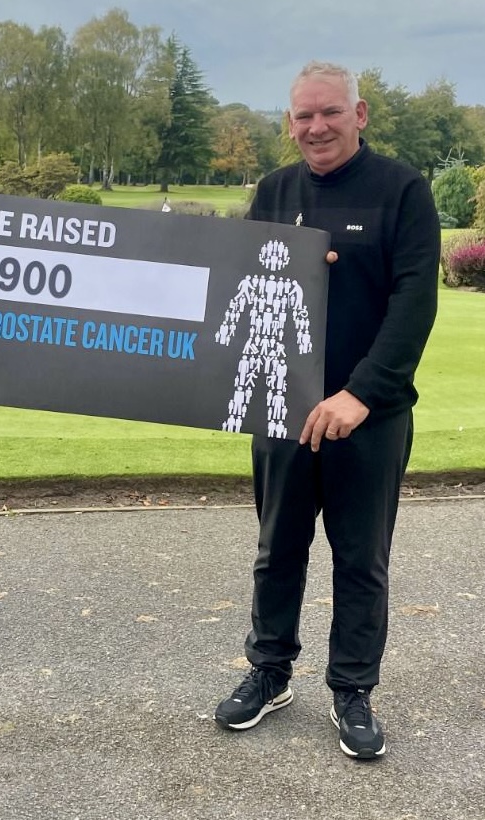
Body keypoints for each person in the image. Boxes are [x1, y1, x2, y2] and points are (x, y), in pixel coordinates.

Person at [213, 61, 439, 759]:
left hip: (369, 417)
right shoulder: (274, 191)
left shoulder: (401, 190)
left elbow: (413, 304)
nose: (316, 127)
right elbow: (236, 285)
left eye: (330, 112)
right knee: (276, 549)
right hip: (283, 410)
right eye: (303, 116)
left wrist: (361, 394)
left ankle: (352, 689)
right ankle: (269, 671)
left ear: (359, 114)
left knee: (360, 559)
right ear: (290, 123)